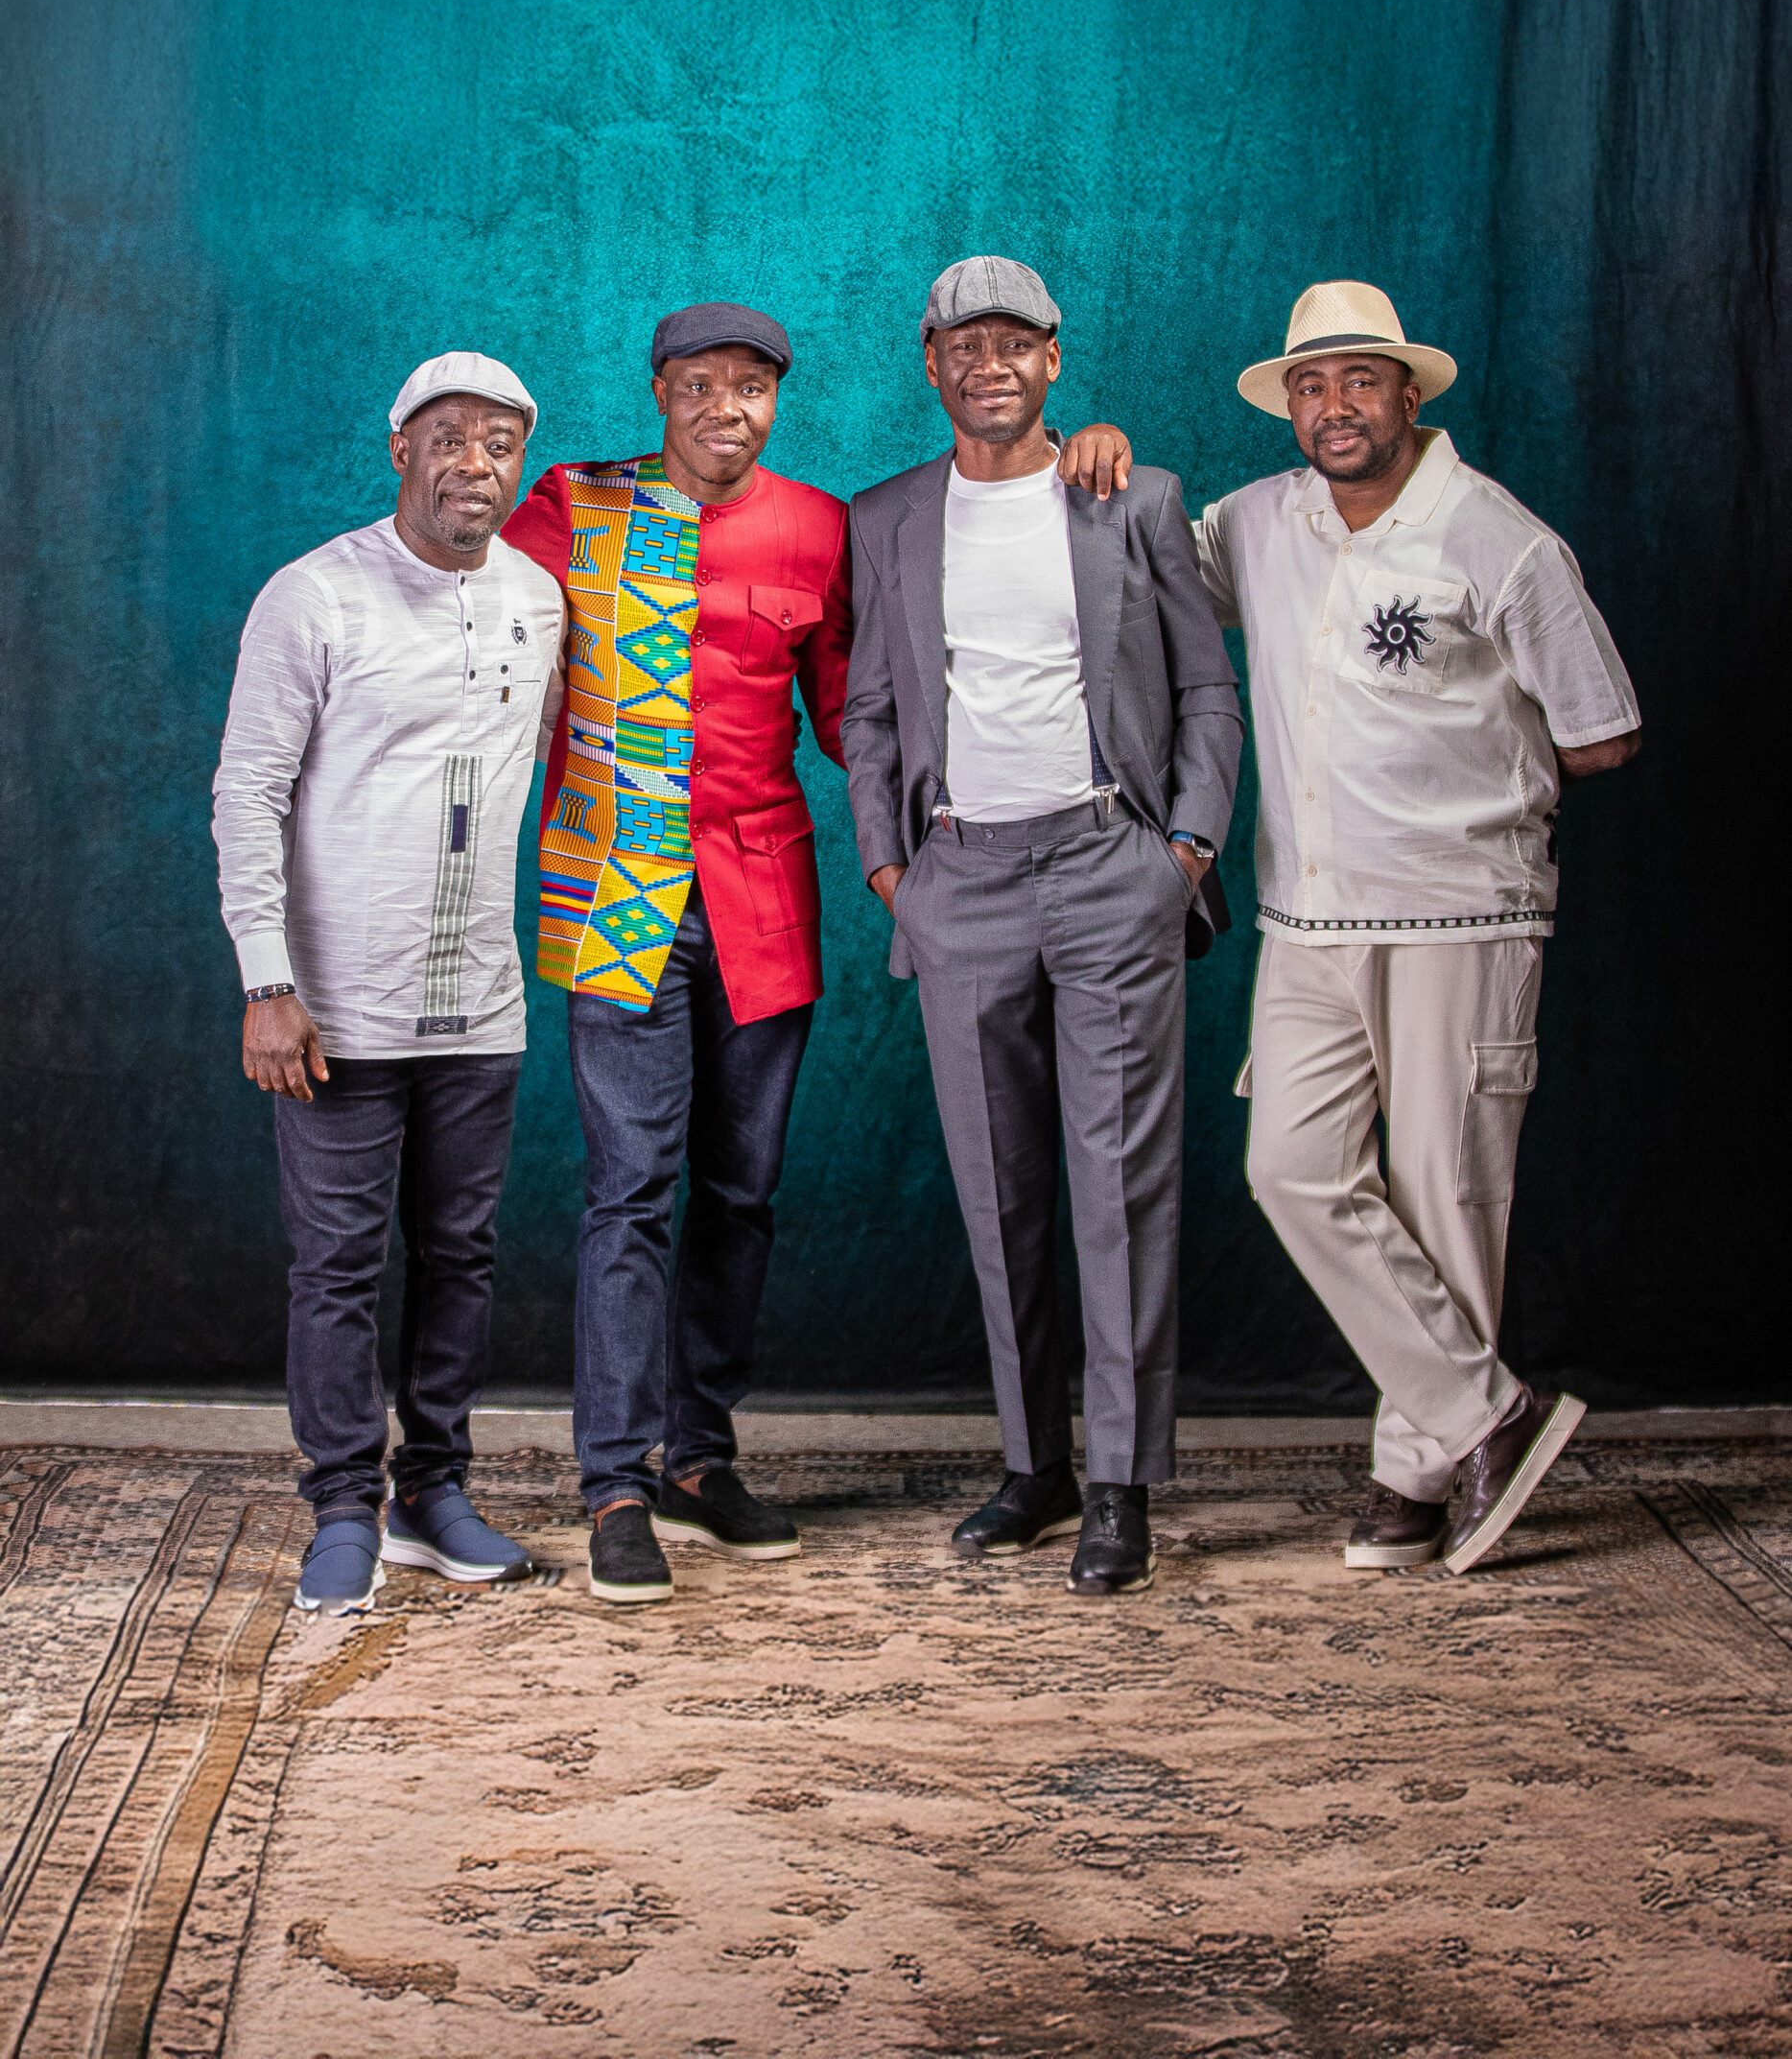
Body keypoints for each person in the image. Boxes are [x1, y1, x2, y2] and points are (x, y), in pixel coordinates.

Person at [503, 300, 1139, 1608]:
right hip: (617, 884)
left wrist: (969, 813)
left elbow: (864, 712)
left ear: (776, 402)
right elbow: (477, 630)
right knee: (631, 1189)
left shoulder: (818, 527)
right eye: (699, 385)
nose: (724, 409)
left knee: (741, 1193)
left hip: (761, 894)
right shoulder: (575, 504)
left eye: (750, 387)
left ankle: (699, 1457)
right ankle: (614, 1483)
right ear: (660, 392)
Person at [1196, 280, 1641, 1575]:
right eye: (1311, 386)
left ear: (1407, 393)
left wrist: (1472, 787)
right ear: (1289, 406)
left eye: (1359, 380)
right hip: (1306, 915)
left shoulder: (1498, 539)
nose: (1334, 406)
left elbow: (1601, 730)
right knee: (1292, 1167)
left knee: (1445, 1190)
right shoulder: (1258, 522)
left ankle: (1416, 1476)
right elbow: (1147, 571)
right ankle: (1487, 1412)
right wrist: (1094, 456)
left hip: (1463, 913)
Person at [841, 257, 1243, 1598]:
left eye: (1014, 342)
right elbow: (871, 711)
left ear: (1053, 359)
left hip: (1112, 865)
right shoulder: (888, 517)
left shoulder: (1133, 497)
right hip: (959, 878)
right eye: (964, 344)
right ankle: (1036, 1465)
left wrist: (1185, 852)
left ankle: (1120, 1482)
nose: (989, 364)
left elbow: (1208, 692)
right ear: (930, 361)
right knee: (997, 1185)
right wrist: (891, 870)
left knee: (1120, 1183)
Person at [213, 351, 565, 1615]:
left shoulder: (537, 599)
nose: (478, 464)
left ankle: (434, 1491)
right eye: (451, 438)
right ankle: (343, 1507)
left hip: (479, 1001)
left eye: (502, 444)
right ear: (401, 449)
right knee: (340, 1265)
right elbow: (247, 793)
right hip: (335, 1010)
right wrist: (267, 980)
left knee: (461, 1253)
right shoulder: (315, 595)